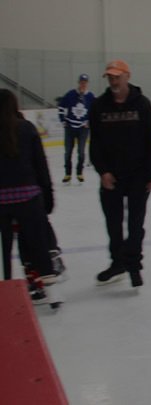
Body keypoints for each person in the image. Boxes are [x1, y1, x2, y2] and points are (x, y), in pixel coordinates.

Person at [89, 59, 151, 289]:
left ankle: (134, 266)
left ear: (127, 76)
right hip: (112, 176)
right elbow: (95, 143)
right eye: (110, 76)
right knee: (113, 224)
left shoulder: (142, 105)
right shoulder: (99, 106)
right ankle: (118, 263)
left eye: (117, 76)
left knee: (136, 225)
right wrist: (103, 172)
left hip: (138, 175)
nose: (113, 80)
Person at [0, 89, 60, 306]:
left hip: (2, 203)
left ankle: (6, 288)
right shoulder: (26, 128)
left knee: (5, 248)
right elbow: (40, 167)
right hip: (29, 198)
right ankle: (53, 294)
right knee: (38, 245)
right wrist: (48, 196)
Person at [58, 73, 95, 184]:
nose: (83, 84)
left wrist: (89, 122)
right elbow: (61, 106)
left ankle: (79, 172)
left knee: (81, 152)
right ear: (79, 82)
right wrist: (63, 120)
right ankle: (67, 173)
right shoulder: (70, 94)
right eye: (81, 82)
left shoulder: (90, 97)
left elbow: (95, 111)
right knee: (68, 151)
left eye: (85, 82)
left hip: (83, 128)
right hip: (70, 127)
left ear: (87, 83)